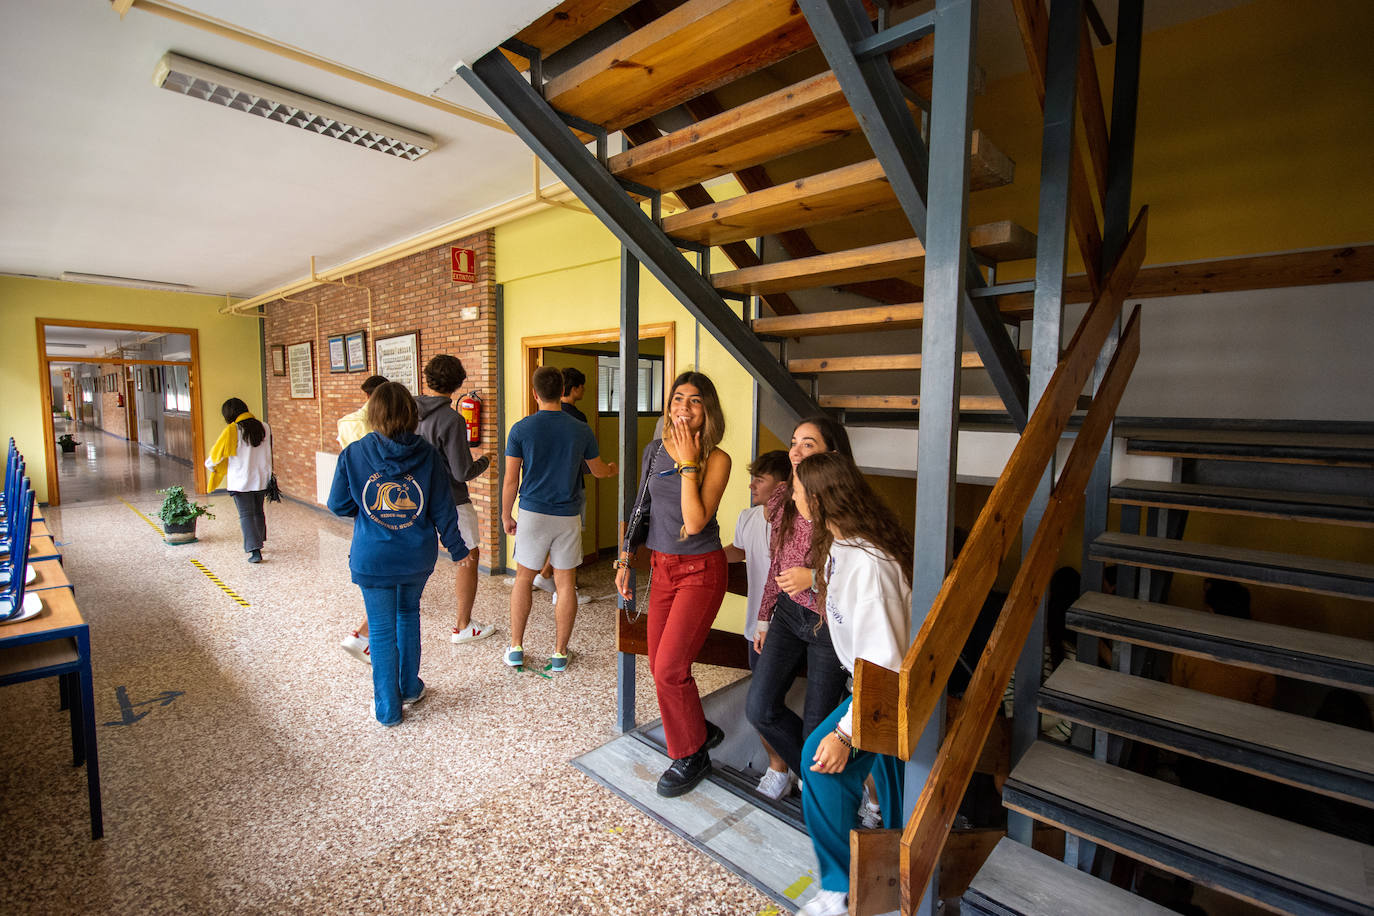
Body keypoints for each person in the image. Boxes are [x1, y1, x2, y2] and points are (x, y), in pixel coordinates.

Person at [791, 452, 912, 916]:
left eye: (799, 491)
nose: (794, 496)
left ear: (819, 500)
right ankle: (894, 883)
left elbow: (886, 663)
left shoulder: (871, 565)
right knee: (895, 783)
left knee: (819, 763)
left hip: (885, 693)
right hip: (870, 686)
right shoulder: (841, 546)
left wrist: (845, 734)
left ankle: (839, 890)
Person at [614, 371, 732, 798]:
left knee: (669, 668)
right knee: (658, 665)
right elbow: (641, 506)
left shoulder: (717, 459)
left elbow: (695, 521)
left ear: (708, 410)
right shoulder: (653, 450)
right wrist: (627, 557)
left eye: (695, 400)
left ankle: (691, 754)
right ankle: (697, 728)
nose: (683, 407)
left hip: (700, 570)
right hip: (662, 568)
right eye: (677, 398)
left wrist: (687, 463)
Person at [327, 382, 469, 727]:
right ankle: (409, 687)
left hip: (372, 556)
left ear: (373, 414)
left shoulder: (354, 453)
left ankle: (388, 709)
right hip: (415, 557)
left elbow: (337, 504)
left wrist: (365, 509)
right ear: (411, 413)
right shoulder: (427, 454)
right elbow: (442, 507)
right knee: (408, 614)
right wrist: (457, 547)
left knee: (380, 628)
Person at [744, 416, 854, 789]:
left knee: (818, 727)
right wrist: (764, 616)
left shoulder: (846, 506)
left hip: (829, 623)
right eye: (794, 442)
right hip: (789, 615)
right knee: (759, 707)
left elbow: (861, 570)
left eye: (809, 444)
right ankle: (811, 776)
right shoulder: (784, 498)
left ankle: (821, 789)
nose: (795, 450)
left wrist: (814, 577)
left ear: (831, 456)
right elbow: (777, 559)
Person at [503, 366, 617, 672]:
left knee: (523, 580)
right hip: (566, 515)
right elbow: (598, 471)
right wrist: (612, 468)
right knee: (566, 585)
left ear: (535, 393)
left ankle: (515, 648)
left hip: (532, 513)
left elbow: (511, 480)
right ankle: (559, 653)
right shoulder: (580, 429)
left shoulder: (521, 429)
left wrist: (505, 515)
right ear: (562, 389)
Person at [721, 449, 794, 799]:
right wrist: (700, 558)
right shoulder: (748, 518)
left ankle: (782, 769)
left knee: (770, 704)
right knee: (762, 703)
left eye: (759, 479)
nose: (751, 485)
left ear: (782, 485)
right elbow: (736, 550)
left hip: (792, 629)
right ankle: (781, 766)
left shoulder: (796, 525)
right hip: (757, 629)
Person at [415, 355, 496, 646]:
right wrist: (486, 460)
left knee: (415, 556)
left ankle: (374, 623)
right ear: (459, 383)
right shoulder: (451, 419)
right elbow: (462, 471)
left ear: (427, 379)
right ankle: (463, 625)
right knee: (468, 556)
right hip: (451, 499)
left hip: (415, 498)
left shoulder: (407, 412)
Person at [534, 366, 596, 606]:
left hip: (540, 494)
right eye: (582, 387)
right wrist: (607, 470)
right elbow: (584, 459)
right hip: (571, 487)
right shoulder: (578, 419)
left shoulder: (534, 422)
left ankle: (548, 576)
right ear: (574, 388)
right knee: (570, 540)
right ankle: (561, 586)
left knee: (554, 538)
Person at [337, 374, 388, 665]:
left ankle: (362, 634)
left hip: (360, 500)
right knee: (389, 584)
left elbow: (338, 500)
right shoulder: (379, 424)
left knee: (378, 574)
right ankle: (361, 635)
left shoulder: (346, 423)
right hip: (386, 500)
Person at [205, 397, 272, 564]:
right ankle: (260, 540)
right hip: (262, 479)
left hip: (241, 481)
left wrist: (210, 466)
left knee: (246, 515)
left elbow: (217, 454)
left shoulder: (233, 429)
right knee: (257, 511)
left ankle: (254, 550)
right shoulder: (265, 427)